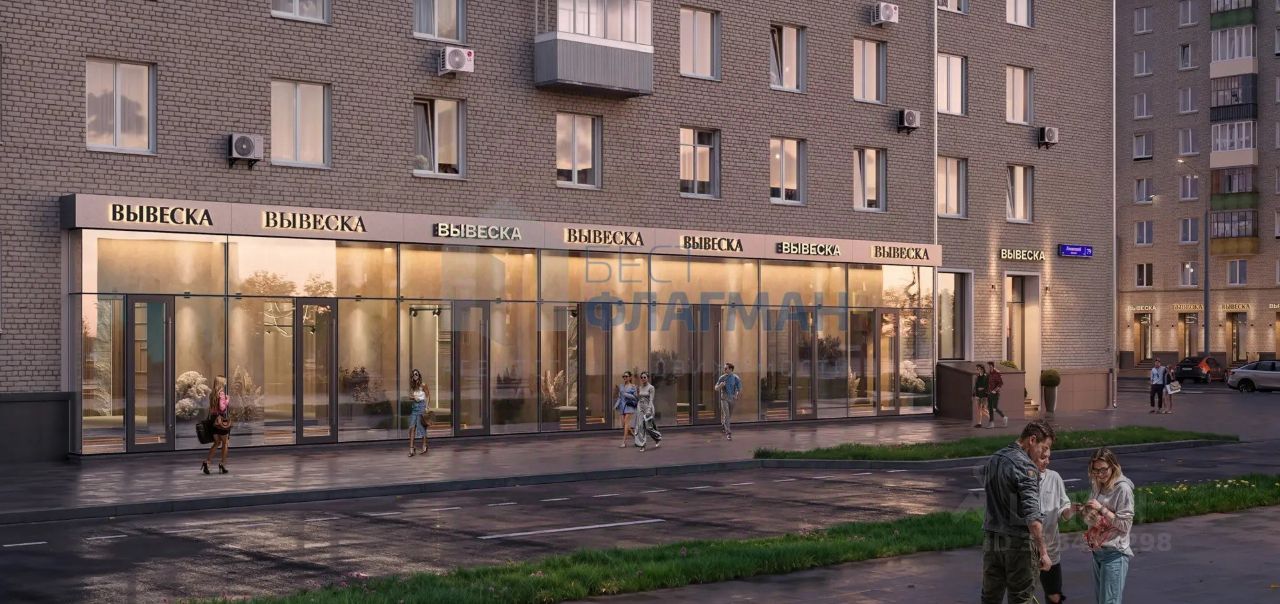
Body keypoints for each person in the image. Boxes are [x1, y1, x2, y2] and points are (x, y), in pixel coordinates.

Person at [979, 419, 1055, 604]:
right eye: (1044, 448)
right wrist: (1043, 552)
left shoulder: (994, 459)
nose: (1044, 453)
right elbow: (1033, 518)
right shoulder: (1025, 466)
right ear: (1032, 440)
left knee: (990, 598)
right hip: (1018, 544)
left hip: (992, 540)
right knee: (1021, 599)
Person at [1079, 447, 1135, 604]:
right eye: (1095, 470)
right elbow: (1095, 515)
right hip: (1098, 552)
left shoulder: (1123, 489)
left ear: (1113, 466)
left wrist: (1101, 509)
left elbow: (1125, 524)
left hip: (1115, 554)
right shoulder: (1098, 484)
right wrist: (1088, 513)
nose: (1100, 474)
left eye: (1103, 470)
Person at [1036, 447, 1073, 604]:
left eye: (1048, 457)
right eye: (1043, 458)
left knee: (1054, 594)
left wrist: (1071, 510)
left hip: (1050, 548)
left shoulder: (1054, 477)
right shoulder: (1022, 479)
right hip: (1026, 548)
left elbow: (1064, 508)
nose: (1047, 461)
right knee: (1023, 593)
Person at [201, 375, 231, 475]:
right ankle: (222, 464)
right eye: (224, 381)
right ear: (221, 382)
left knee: (217, 443)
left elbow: (211, 409)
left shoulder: (212, 394)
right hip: (220, 421)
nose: (225, 383)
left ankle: (207, 462)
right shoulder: (221, 393)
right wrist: (227, 400)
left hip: (213, 420)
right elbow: (222, 408)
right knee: (225, 443)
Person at [633, 371, 662, 450]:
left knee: (649, 427)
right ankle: (642, 445)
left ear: (647, 378)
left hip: (648, 407)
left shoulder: (651, 387)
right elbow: (638, 398)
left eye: (644, 377)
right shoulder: (640, 387)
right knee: (640, 426)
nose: (643, 379)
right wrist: (636, 392)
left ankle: (657, 437)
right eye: (641, 377)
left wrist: (649, 410)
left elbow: (651, 400)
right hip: (640, 407)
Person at [714, 362, 742, 441]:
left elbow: (739, 388)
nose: (724, 369)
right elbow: (716, 388)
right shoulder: (722, 377)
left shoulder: (736, 378)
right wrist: (720, 386)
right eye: (724, 368)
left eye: (726, 368)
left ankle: (724, 424)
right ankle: (728, 433)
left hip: (732, 398)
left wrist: (736, 394)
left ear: (731, 369)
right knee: (726, 415)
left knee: (729, 416)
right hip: (724, 398)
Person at [407, 369, 431, 456]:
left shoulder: (423, 385)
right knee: (412, 427)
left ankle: (424, 446)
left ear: (419, 375)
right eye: (413, 375)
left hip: (421, 406)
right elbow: (409, 396)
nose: (415, 376)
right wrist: (414, 398)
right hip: (414, 407)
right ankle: (411, 449)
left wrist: (427, 407)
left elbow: (428, 396)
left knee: (421, 427)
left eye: (416, 374)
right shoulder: (412, 386)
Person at [615, 371, 638, 448]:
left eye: (626, 376)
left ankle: (623, 442)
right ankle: (635, 437)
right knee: (624, 425)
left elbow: (635, 397)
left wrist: (626, 394)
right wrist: (616, 405)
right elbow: (619, 397)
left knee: (626, 424)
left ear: (630, 377)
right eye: (623, 376)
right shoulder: (621, 386)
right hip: (622, 407)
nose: (625, 377)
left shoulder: (633, 386)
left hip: (629, 406)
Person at [986, 361, 1008, 429]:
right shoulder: (989, 374)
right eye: (989, 366)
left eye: (990, 366)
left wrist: (994, 390)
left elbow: (1000, 383)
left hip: (995, 393)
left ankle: (995, 421)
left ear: (993, 366)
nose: (989, 367)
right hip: (989, 393)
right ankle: (1001, 419)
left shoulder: (997, 373)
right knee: (991, 408)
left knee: (992, 408)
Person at [974, 364, 990, 429]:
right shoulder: (977, 376)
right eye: (977, 368)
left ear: (982, 369)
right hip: (978, 395)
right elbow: (975, 386)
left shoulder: (986, 376)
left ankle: (991, 418)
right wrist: (975, 394)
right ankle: (979, 423)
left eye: (979, 368)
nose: (978, 370)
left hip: (984, 395)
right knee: (979, 410)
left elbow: (988, 386)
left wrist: (983, 389)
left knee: (983, 409)